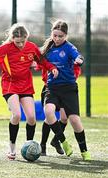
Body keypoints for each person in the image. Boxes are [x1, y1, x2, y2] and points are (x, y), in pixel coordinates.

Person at [0, 23, 58, 160]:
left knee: (31, 118)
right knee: (16, 115)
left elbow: (42, 60)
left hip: (26, 86)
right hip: (9, 85)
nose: (21, 44)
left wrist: (51, 67)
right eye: (17, 42)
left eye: (23, 41)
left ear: (26, 38)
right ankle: (11, 148)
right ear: (12, 39)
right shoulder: (5, 48)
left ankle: (29, 146)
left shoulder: (32, 47)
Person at [40, 19, 91, 161]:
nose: (57, 39)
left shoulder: (69, 48)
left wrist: (79, 60)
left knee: (73, 120)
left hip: (69, 88)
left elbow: (78, 56)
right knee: (48, 112)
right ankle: (63, 142)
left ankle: (84, 151)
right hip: (52, 87)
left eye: (60, 36)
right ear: (51, 34)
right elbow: (39, 60)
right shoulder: (47, 49)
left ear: (66, 36)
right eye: (54, 35)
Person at [36, 63, 81, 156]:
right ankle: (43, 145)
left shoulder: (69, 54)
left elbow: (76, 71)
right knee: (49, 117)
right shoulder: (48, 55)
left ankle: (56, 141)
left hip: (65, 90)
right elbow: (38, 65)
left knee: (64, 118)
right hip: (50, 89)